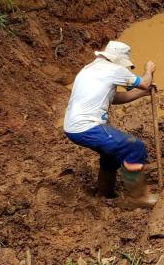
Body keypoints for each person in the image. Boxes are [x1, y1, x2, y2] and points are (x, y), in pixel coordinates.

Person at [64, 41, 156, 198]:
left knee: (111, 154)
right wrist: (149, 69)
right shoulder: (115, 69)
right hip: (87, 127)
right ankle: (138, 197)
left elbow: (113, 98)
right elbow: (145, 82)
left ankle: (105, 193)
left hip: (72, 126)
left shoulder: (90, 68)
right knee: (134, 147)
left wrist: (143, 93)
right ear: (120, 60)